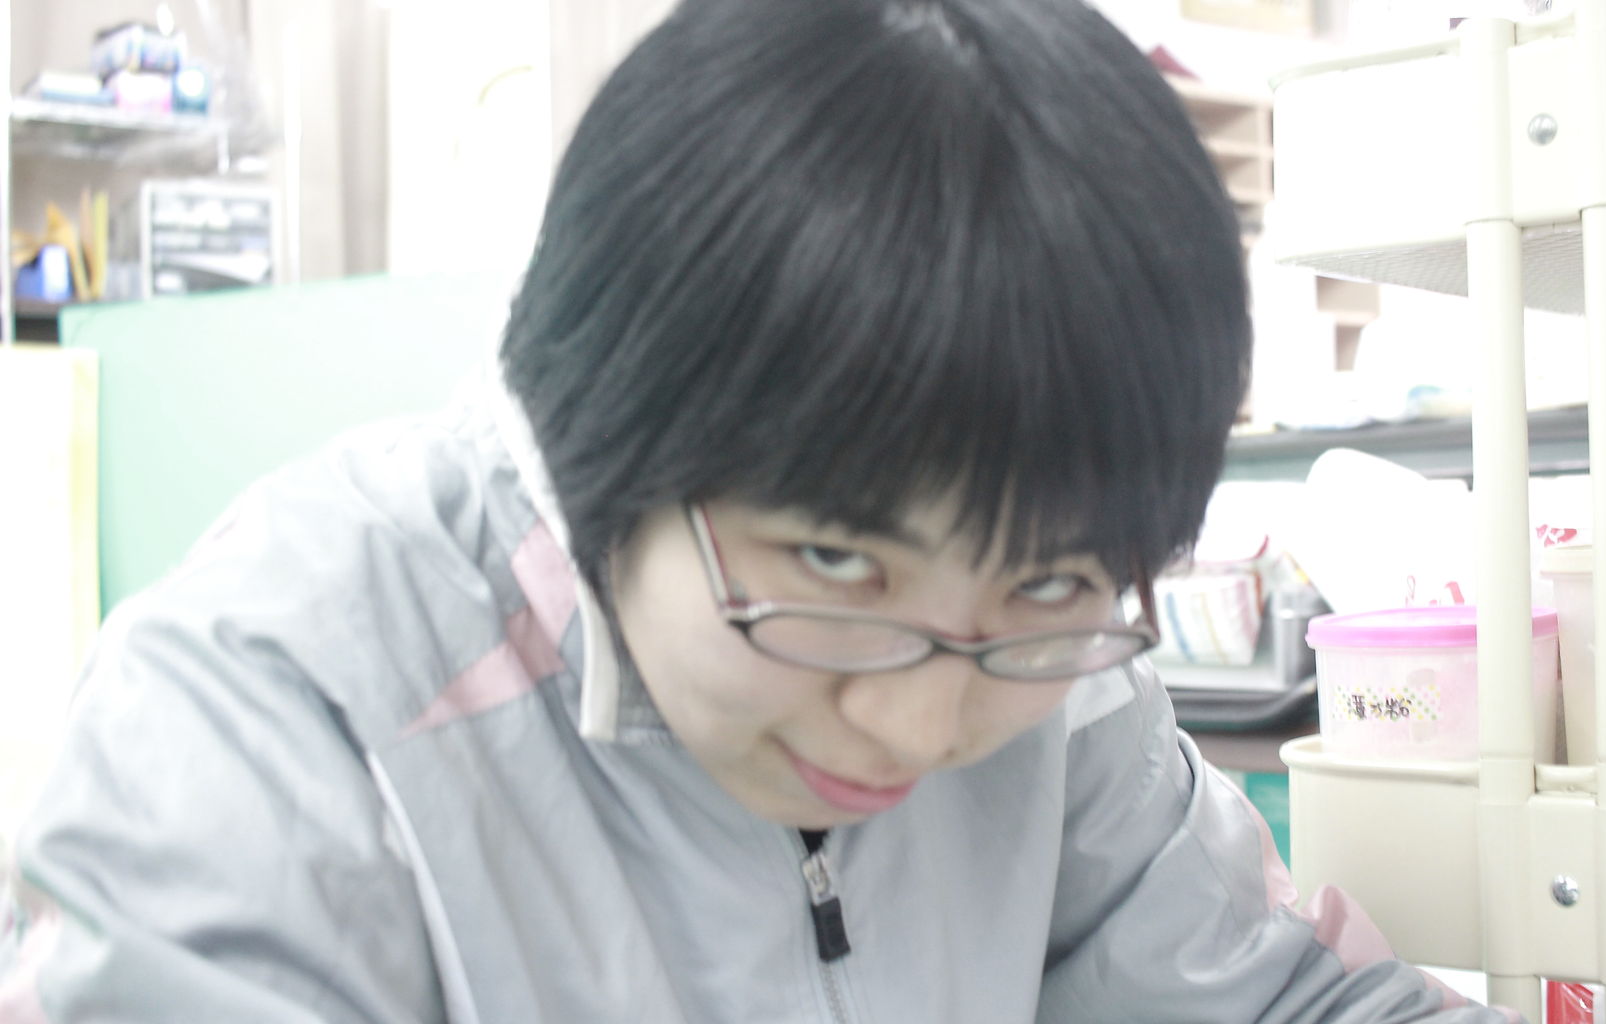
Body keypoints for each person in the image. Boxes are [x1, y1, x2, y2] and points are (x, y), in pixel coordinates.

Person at [1, 0, 1515, 1021]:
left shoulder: (1040, 674)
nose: (920, 729)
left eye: (1050, 588)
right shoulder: (274, 708)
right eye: (838, 564)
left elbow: (1275, 999)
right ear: (604, 429)